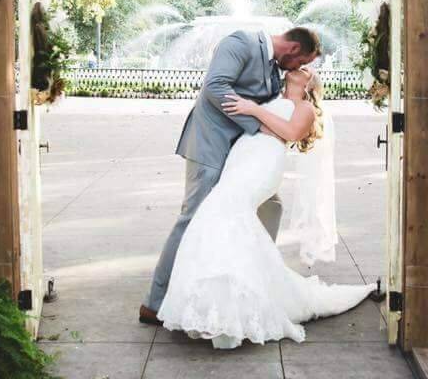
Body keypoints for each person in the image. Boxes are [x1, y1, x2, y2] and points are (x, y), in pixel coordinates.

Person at [155, 67, 377, 348]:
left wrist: (255, 112)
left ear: (309, 81)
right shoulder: (272, 95)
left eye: (305, 68)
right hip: (243, 156)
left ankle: (236, 307)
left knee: (225, 213)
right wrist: (252, 113)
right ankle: (217, 304)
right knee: (218, 217)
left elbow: (292, 132)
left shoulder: (305, 107)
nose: (298, 68)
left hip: (264, 162)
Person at [139, 27, 321, 327]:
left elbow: (282, 109)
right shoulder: (240, 43)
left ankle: (249, 283)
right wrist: (258, 125)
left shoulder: (277, 68)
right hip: (210, 147)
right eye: (304, 61)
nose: (303, 69)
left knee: (270, 207)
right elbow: (215, 87)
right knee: (193, 218)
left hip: (244, 157)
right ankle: (155, 303)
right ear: (292, 49)